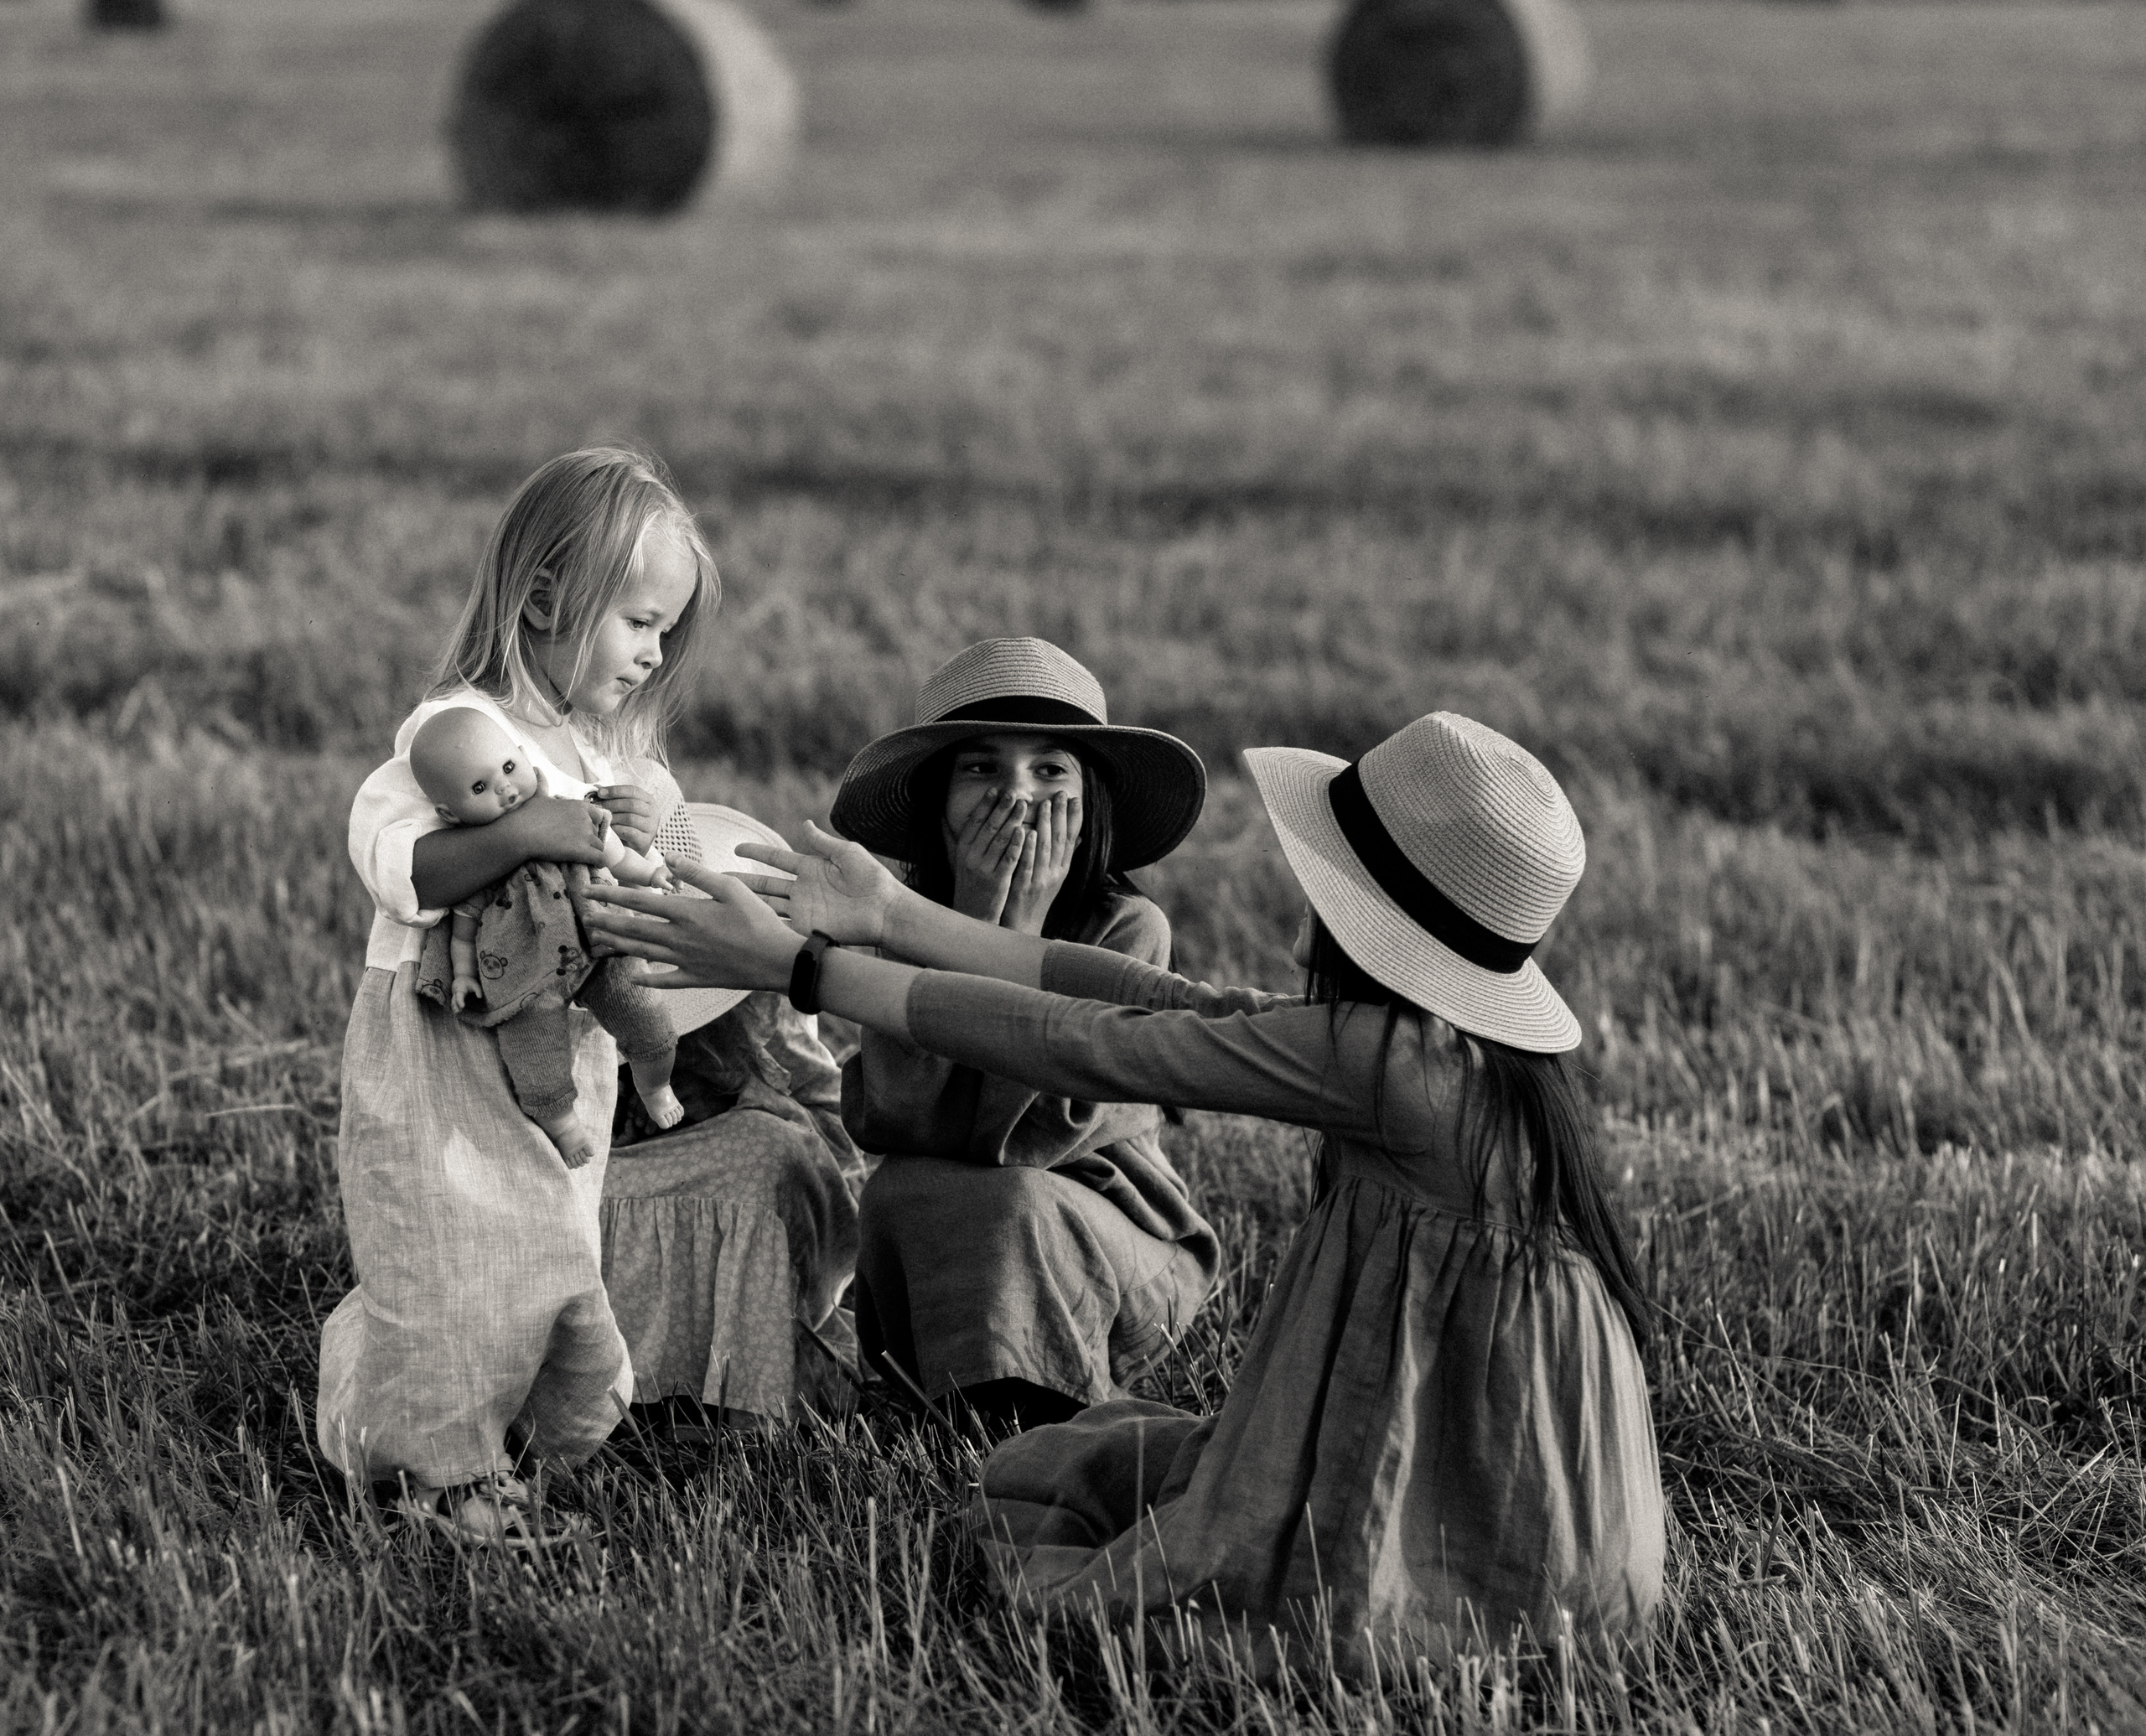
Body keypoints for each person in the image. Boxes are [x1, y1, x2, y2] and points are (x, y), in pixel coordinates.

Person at [583, 711, 1665, 1674]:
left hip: (1480, 1440)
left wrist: (808, 970)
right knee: (1086, 1465)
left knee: (1209, 1576)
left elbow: (1091, 1042)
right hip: (1526, 1436)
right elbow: (1161, 999)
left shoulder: (1390, 1062)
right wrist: (894, 913)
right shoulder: (1435, 1046)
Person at [317, 446, 717, 1547]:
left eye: (667, 630)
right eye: (640, 620)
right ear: (544, 598)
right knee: (451, 1254)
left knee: (543, 1253)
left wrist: (657, 849)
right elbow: (401, 864)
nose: (655, 651)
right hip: (442, 1034)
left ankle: (493, 1437)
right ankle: (439, 1478)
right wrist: (531, 826)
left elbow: (645, 889)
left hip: (561, 1046)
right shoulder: (462, 733)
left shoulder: (601, 750)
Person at [823, 638, 1217, 1431]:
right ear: (938, 799)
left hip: (1111, 1246)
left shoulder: (1129, 928)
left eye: (1049, 770)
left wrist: (1020, 936)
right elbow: (899, 1118)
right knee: (899, 1190)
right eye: (981, 768)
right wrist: (967, 920)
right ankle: (949, 1395)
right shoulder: (900, 926)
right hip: (965, 1222)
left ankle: (1036, 1414)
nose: (1016, 794)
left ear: (1089, 800)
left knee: (1014, 1199)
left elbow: (1032, 1142)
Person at [599, 801, 868, 1433]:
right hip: (602, 1202)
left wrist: (760, 1106)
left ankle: (742, 1395)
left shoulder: (754, 1011)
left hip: (745, 1206)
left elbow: (833, 1144)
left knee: (764, 1147)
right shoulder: (571, 1005)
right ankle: (614, 1384)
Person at [407, 704, 683, 1167]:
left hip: (598, 943)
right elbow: (463, 931)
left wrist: (651, 873)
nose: (505, 788)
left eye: (508, 768)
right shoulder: (480, 861)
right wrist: (464, 975)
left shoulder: (569, 813)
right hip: (524, 974)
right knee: (533, 1054)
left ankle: (655, 1083)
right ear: (449, 814)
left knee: (644, 1009)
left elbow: (615, 856)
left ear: (523, 755)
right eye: (480, 788)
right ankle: (563, 1125)